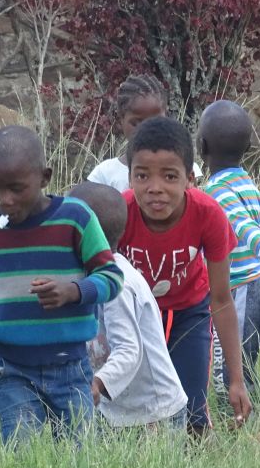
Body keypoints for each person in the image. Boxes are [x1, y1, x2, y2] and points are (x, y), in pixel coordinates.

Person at [0, 127, 124, 444]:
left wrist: (73, 291)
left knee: (79, 460)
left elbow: (111, 277)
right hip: (12, 369)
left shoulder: (76, 219)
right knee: (23, 458)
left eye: (16, 189)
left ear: (44, 177)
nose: (4, 200)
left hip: (72, 368)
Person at [116, 117, 252, 437]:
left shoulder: (209, 215)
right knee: (127, 411)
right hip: (133, 315)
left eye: (170, 176)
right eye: (142, 175)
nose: (155, 188)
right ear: (129, 178)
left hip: (188, 313)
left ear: (190, 178)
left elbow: (221, 299)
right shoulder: (119, 214)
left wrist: (236, 379)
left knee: (192, 410)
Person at [69, 182, 188, 432]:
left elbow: (128, 350)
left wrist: (97, 383)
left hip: (156, 413)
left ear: (82, 237)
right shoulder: (83, 277)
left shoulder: (117, 284)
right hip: (117, 412)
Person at [198, 100, 260, 397]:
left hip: (242, 291)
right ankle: (254, 420)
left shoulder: (216, 191)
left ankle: (239, 429)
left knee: (230, 372)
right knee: (244, 366)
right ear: (249, 147)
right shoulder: (245, 181)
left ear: (202, 146)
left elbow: (244, 227)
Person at [86, 74, 204, 190]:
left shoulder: (182, 166)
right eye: (137, 123)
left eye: (155, 121)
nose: (147, 130)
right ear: (120, 120)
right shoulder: (105, 174)